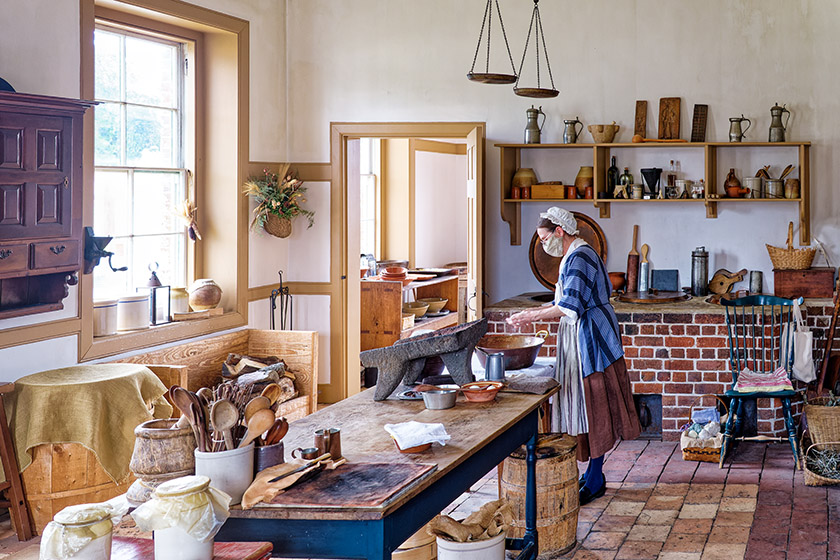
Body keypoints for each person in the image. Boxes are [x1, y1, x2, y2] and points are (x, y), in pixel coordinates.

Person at [507, 207, 640, 505]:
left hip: (590, 337)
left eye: (544, 238)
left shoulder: (580, 256)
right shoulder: (575, 254)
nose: (543, 245)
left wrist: (531, 315)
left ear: (559, 231)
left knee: (594, 404)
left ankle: (595, 476)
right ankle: (593, 473)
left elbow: (570, 307)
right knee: (585, 403)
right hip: (582, 332)